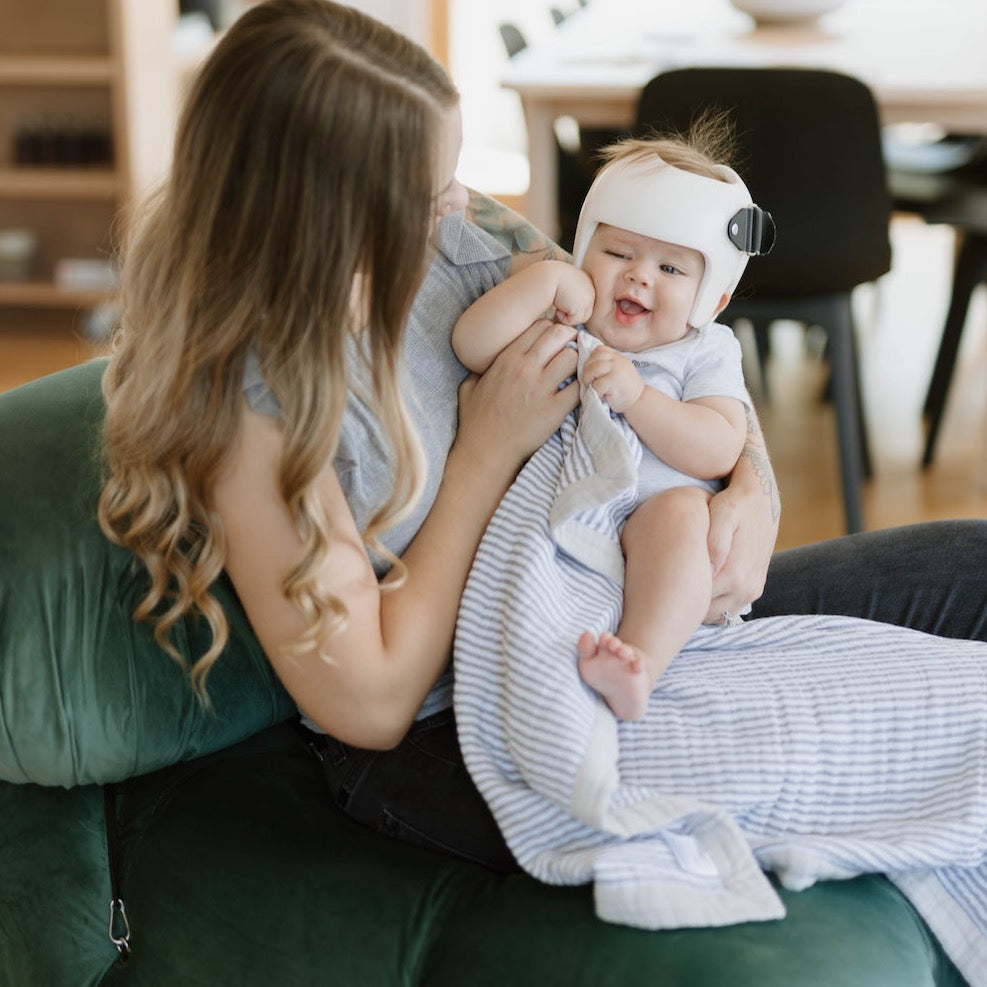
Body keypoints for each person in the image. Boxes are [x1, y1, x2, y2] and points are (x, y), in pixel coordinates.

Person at [96, 0, 987, 880]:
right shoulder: (254, 405)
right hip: (467, 714)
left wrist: (752, 487)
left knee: (970, 569)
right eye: (427, 189)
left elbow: (655, 337)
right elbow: (370, 701)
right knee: (932, 734)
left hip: (615, 594)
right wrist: (483, 453)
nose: (461, 201)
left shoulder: (451, 230)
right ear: (326, 212)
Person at [452, 130, 775, 720]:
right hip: (563, 519)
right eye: (619, 253)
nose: (638, 277)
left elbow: (720, 446)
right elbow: (472, 348)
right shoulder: (568, 317)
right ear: (582, 248)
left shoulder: (705, 351)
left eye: (671, 266)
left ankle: (639, 663)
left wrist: (639, 399)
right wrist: (545, 284)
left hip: (656, 515)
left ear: (713, 299)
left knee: (682, 517)